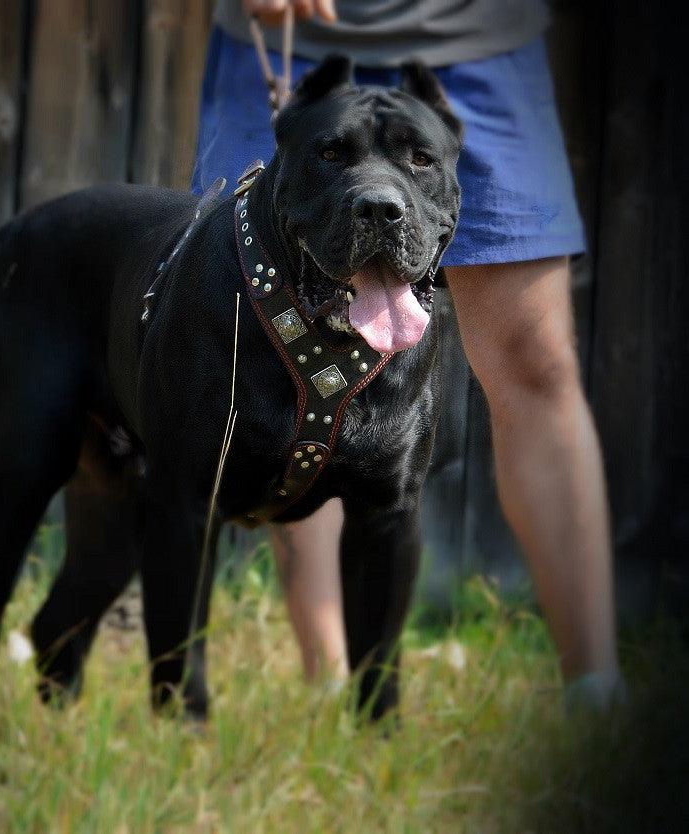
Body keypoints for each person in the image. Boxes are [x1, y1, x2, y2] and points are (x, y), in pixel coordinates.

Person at [191, 0, 625, 707]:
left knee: (537, 361)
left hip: (480, 40)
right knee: (292, 364)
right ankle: (334, 693)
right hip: (292, 38)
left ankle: (596, 689)